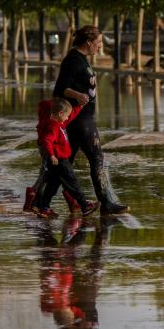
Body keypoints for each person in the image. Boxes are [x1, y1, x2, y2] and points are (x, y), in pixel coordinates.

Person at [55, 25, 128, 214]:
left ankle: (41, 200)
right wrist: (77, 95)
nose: (100, 47)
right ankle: (106, 203)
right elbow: (60, 88)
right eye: (98, 43)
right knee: (96, 158)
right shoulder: (73, 60)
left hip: (81, 118)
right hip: (79, 120)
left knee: (63, 164)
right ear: (88, 42)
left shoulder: (81, 59)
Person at [31, 98, 98, 218]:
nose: (67, 118)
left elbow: (71, 115)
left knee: (52, 185)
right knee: (73, 183)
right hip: (60, 161)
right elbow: (47, 140)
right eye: (66, 116)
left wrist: (80, 106)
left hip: (56, 161)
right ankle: (84, 206)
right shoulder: (54, 126)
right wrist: (51, 155)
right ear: (60, 113)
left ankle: (44, 208)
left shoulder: (57, 124)